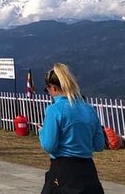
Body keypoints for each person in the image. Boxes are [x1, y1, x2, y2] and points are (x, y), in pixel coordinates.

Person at [39, 63, 105, 194]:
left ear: (53, 87)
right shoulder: (88, 109)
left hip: (63, 170)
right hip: (88, 171)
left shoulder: (54, 110)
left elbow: (49, 146)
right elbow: (99, 144)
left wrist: (41, 132)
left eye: (47, 90)